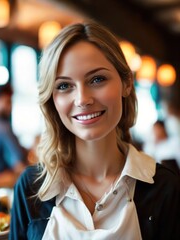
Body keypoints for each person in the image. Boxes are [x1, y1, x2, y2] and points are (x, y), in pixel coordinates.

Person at [10, 22, 180, 240]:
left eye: (97, 79)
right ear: (51, 98)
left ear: (127, 83)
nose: (82, 99)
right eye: (64, 85)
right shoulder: (32, 187)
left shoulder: (165, 188)